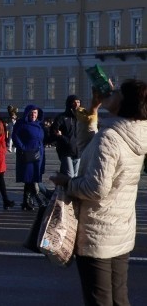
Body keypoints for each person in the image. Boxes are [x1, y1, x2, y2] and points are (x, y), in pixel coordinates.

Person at [50, 79, 147, 306]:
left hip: (98, 233)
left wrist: (66, 182)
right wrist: (92, 111)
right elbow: (89, 151)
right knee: (119, 298)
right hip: (120, 229)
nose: (109, 93)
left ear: (123, 103)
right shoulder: (134, 133)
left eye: (115, 92)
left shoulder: (110, 137)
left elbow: (95, 188)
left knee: (99, 300)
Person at [12, 104, 46, 210]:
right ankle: (33, 199)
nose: (33, 115)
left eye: (35, 113)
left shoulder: (39, 124)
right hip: (27, 154)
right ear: (27, 113)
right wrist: (22, 147)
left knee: (33, 177)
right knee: (29, 177)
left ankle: (27, 201)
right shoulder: (21, 123)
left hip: (38, 153)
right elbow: (15, 136)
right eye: (31, 113)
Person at [51, 94, 80, 177]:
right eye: (74, 102)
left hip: (78, 151)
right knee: (70, 175)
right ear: (69, 103)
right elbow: (54, 131)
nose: (77, 104)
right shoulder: (62, 117)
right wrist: (62, 137)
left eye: (78, 102)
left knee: (75, 176)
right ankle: (63, 188)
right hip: (65, 151)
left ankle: (65, 189)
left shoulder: (81, 117)